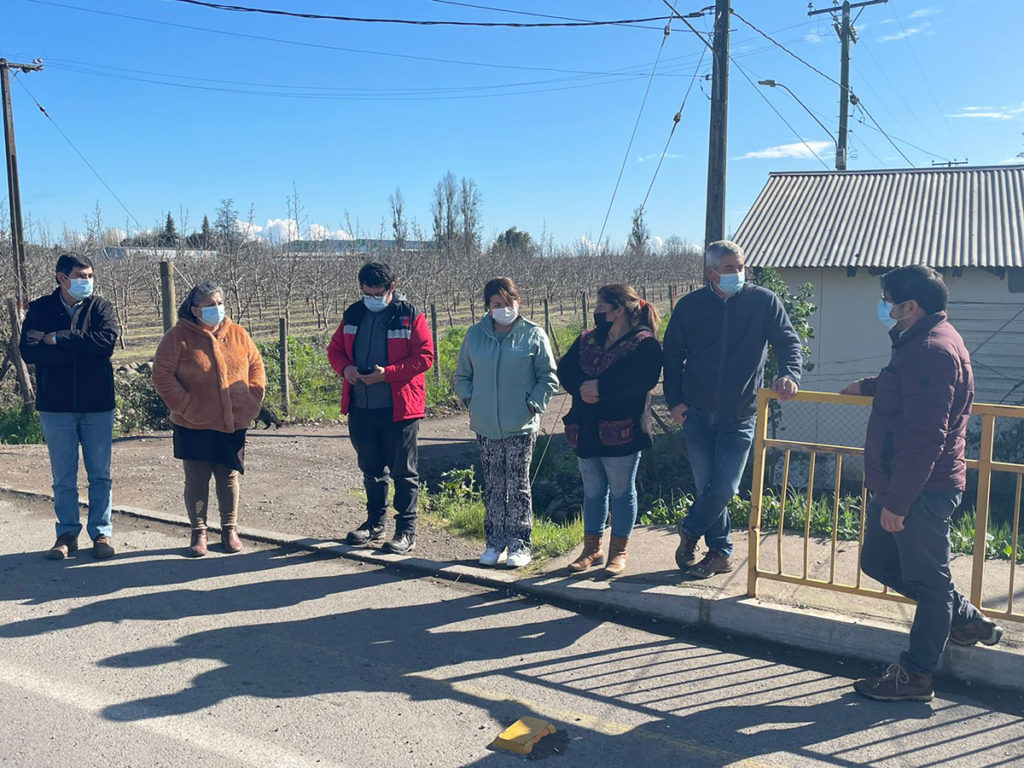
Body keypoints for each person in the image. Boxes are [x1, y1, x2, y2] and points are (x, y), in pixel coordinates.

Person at [841, 265, 1003, 703]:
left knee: (930, 585)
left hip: (920, 490)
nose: (886, 307)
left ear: (910, 306)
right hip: (904, 484)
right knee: (878, 561)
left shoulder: (932, 349)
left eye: (889, 299)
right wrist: (868, 386)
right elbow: (909, 390)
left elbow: (927, 434)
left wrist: (899, 501)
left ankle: (915, 676)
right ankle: (964, 618)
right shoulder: (919, 343)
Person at [663, 239, 802, 579]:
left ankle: (690, 529)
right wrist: (675, 401)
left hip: (740, 412)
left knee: (725, 488)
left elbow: (788, 342)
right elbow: (671, 355)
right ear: (711, 273)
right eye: (730, 269)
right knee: (707, 487)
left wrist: (789, 373)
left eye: (741, 267)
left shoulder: (763, 302)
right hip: (696, 413)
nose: (738, 274)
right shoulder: (690, 306)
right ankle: (720, 553)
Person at [152, 282, 265, 557]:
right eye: (209, 305)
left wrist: (251, 400)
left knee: (228, 475)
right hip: (193, 422)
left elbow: (256, 367)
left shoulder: (237, 333)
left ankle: (229, 529)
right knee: (197, 477)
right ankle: (199, 531)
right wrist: (186, 406)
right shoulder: (177, 337)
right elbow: (162, 376)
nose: (216, 309)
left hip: (233, 420)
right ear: (194, 310)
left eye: (219, 303)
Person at [328, 262, 434, 555]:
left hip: (399, 408)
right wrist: (345, 368)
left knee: (404, 471)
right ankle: (374, 524)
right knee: (371, 468)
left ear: (392, 287)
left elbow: (424, 357)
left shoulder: (410, 315)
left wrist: (387, 374)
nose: (371, 299)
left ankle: (406, 531)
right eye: (366, 293)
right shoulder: (354, 313)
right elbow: (334, 350)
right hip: (362, 406)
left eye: (377, 293)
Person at [20, 253, 120, 560]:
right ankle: (66, 533)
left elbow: (105, 344)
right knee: (63, 475)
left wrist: (59, 338)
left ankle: (101, 533)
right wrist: (81, 349)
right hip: (56, 406)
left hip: (97, 404)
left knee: (100, 474)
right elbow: (30, 351)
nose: (87, 281)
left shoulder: (100, 307)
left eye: (90, 276)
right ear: (62, 278)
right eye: (80, 276)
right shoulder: (41, 309)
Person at [454, 277, 558, 568]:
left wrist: (533, 404)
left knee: (519, 484)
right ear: (488, 307)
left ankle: (520, 544)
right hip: (486, 425)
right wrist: (470, 400)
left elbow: (548, 377)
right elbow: (462, 376)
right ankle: (494, 543)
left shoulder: (533, 335)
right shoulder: (475, 335)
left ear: (518, 301)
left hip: (520, 424)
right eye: (497, 304)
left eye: (508, 302)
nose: (504, 308)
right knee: (494, 485)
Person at [558, 284, 662, 576]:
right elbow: (565, 369)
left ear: (618, 311)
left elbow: (642, 380)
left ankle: (619, 552)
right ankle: (592, 549)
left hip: (622, 431)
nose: (597, 313)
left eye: (602, 308)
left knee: (620, 491)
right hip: (586, 427)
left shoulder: (645, 344)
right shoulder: (587, 340)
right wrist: (582, 387)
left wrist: (601, 389)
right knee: (592, 491)